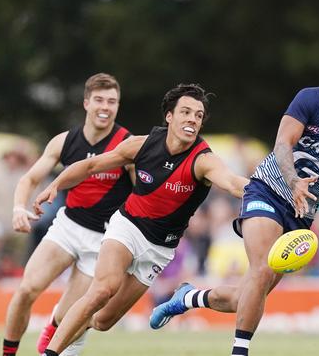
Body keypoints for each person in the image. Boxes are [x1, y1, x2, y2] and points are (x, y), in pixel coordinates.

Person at [149, 48, 319, 356]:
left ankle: (188, 298)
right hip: (267, 189)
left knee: (248, 295)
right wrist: (293, 181)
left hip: (301, 213)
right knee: (262, 268)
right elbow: (283, 143)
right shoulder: (313, 99)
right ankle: (240, 352)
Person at [36, 83, 249, 356]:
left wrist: (273, 195)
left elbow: (232, 182)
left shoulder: (203, 160)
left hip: (159, 249)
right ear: (169, 116)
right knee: (102, 290)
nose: (192, 119)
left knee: (102, 321)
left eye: (198, 115)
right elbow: (90, 166)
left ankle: (71, 330)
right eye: (185, 112)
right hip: (127, 227)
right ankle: (50, 353)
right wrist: (55, 185)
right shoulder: (141, 145)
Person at [3, 73, 133, 356]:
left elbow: (144, 193)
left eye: (112, 101)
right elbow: (29, 178)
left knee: (70, 316)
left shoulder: (127, 145)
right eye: (99, 100)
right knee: (26, 290)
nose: (105, 107)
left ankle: (54, 324)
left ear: (118, 106)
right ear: (86, 103)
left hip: (103, 240)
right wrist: (18, 208)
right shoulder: (64, 141)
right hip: (68, 226)